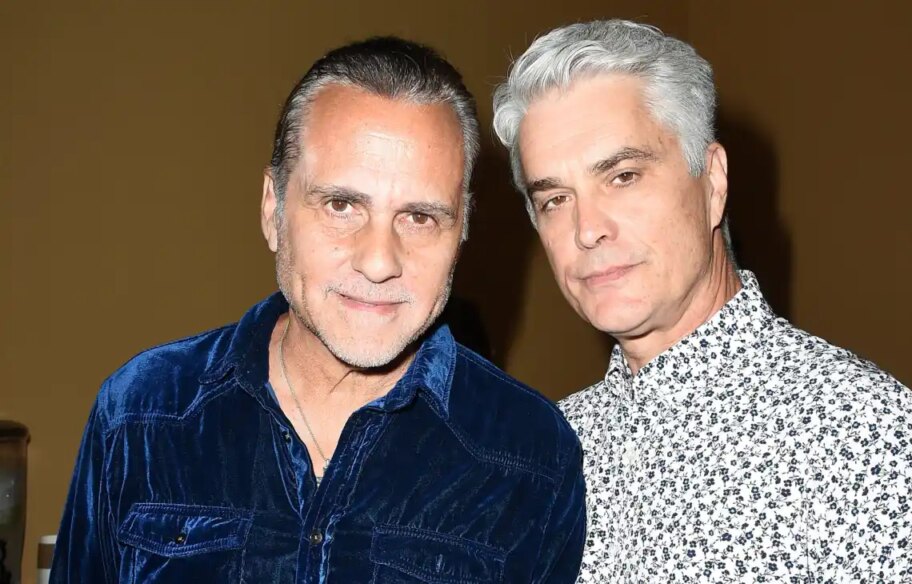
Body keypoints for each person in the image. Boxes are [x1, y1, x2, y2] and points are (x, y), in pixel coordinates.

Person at [51, 37, 584, 583]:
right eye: (341, 205)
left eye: (420, 217)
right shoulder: (142, 413)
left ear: (462, 229)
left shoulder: (531, 456)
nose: (379, 262)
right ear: (272, 210)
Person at [492, 19, 912, 582]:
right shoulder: (546, 449)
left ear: (712, 182)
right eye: (555, 200)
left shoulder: (864, 436)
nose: (587, 229)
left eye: (624, 176)